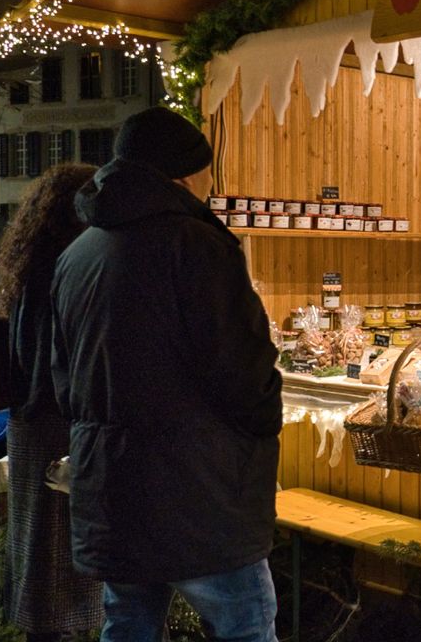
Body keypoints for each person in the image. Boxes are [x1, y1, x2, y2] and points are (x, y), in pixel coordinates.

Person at [50, 108, 282, 642]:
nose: (210, 184)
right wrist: (265, 419)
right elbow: (241, 370)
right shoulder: (197, 244)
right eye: (207, 171)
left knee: (127, 624)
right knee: (245, 626)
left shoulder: (78, 253)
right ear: (182, 174)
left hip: (113, 489)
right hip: (200, 495)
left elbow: (67, 383)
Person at [0, 163, 101, 642]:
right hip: (62, 426)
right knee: (70, 567)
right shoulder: (76, 269)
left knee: (36, 558)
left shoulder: (28, 271)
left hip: (26, 426)